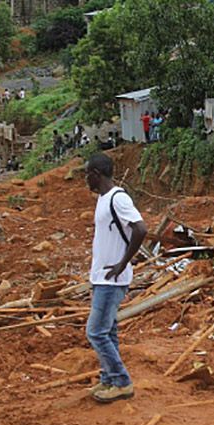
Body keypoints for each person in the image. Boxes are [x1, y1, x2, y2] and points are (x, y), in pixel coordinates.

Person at [84, 153, 147, 403]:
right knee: (107, 332)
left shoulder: (118, 198)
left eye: (87, 174)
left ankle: (121, 382)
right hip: (102, 277)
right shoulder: (103, 199)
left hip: (111, 280)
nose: (86, 180)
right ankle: (108, 379)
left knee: (96, 332)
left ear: (96, 174)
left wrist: (123, 263)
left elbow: (141, 229)